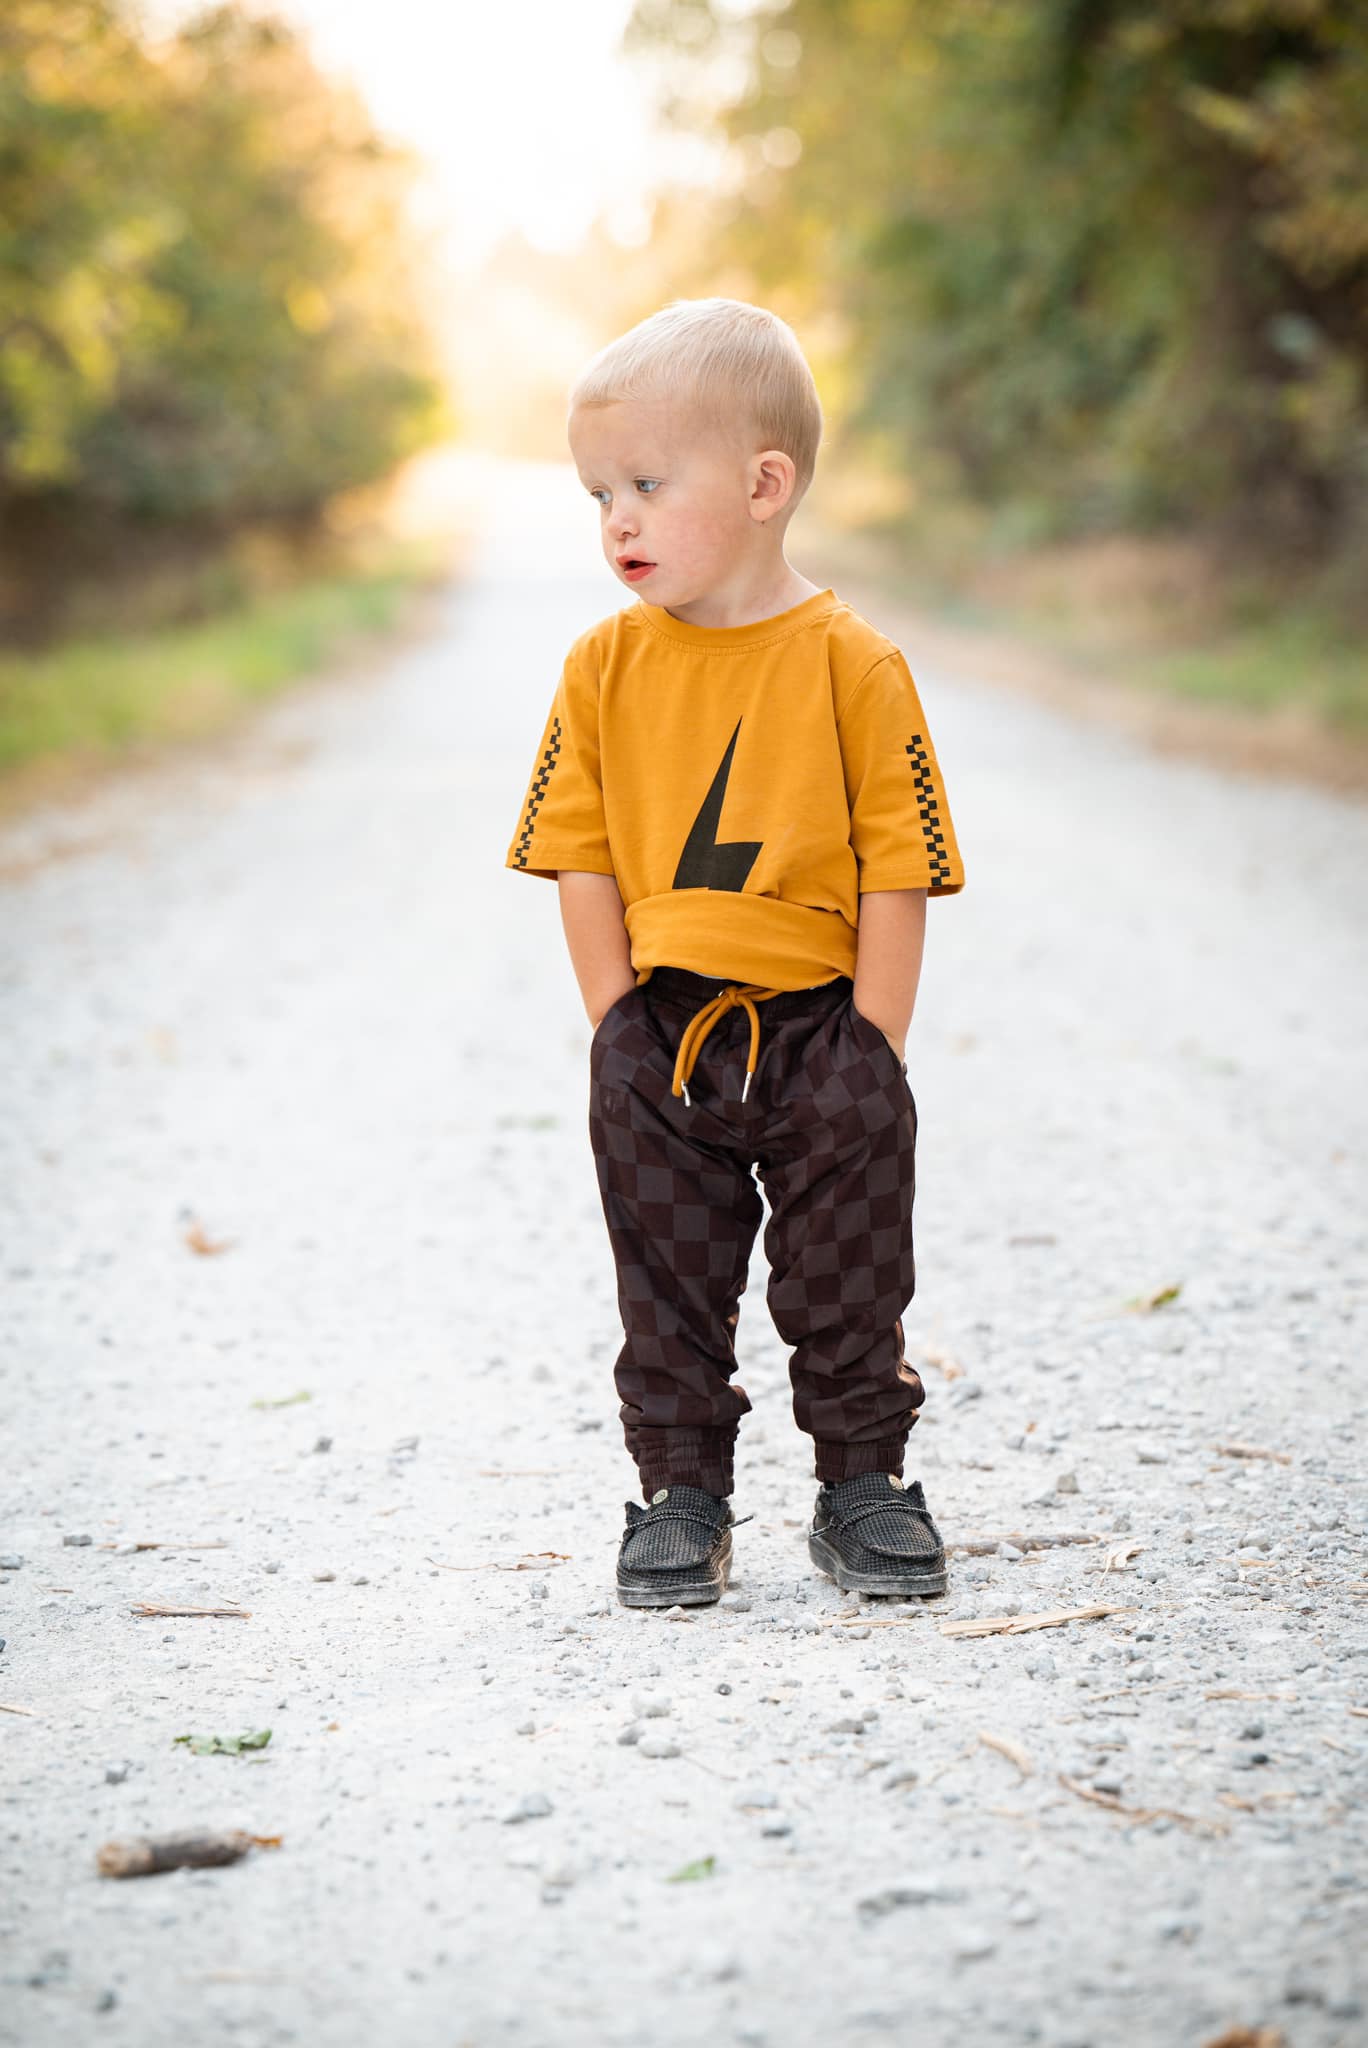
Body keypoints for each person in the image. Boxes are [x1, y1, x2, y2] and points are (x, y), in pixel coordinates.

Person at [504, 297, 965, 1609]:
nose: (619, 521)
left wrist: (872, 1046)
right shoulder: (601, 668)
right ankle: (678, 1495)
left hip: (824, 1028)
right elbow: (578, 855)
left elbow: (900, 862)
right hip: (665, 1030)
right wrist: (617, 1028)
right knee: (669, 1280)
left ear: (767, 486)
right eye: (601, 494)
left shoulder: (853, 666)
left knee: (848, 1275)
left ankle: (862, 1484)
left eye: (648, 484)